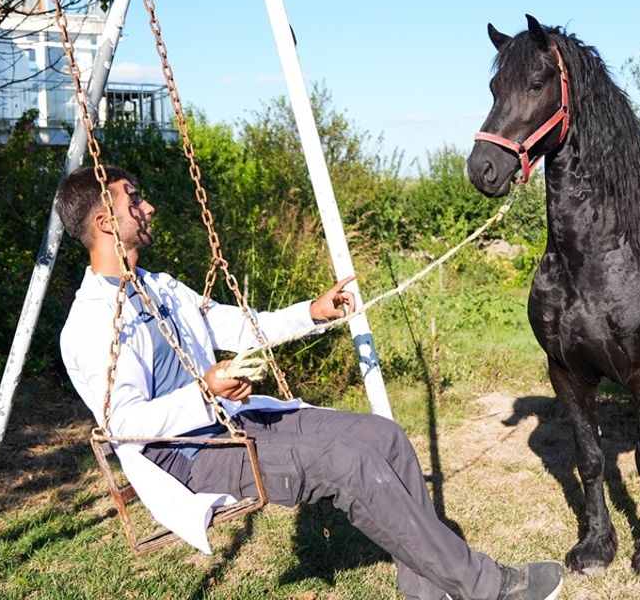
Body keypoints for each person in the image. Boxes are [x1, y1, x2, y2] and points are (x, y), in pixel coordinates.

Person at [55, 165, 564, 600]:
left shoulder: (160, 288)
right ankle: (486, 587)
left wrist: (314, 312)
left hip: (235, 420)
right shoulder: (92, 322)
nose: (148, 210)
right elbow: (124, 422)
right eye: (134, 201)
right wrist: (204, 393)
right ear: (104, 221)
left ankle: (430, 593)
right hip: (187, 456)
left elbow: (238, 324)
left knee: (383, 437)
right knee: (349, 466)